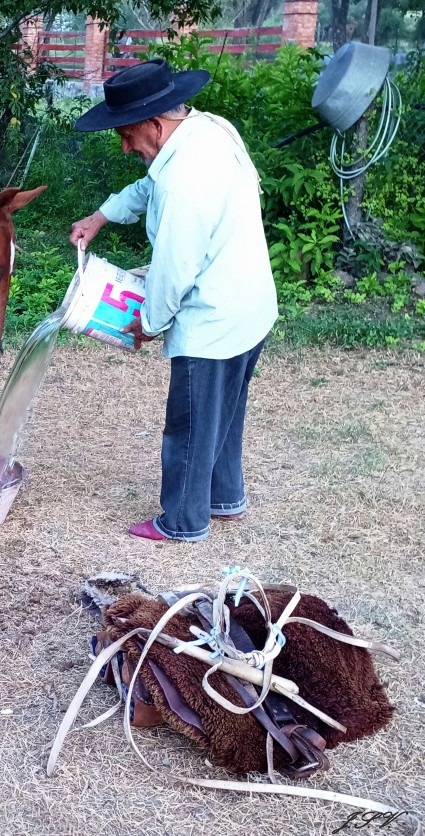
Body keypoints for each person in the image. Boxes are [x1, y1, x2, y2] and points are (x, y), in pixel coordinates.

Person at [70, 58, 278, 543]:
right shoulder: (206, 129)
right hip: (251, 303)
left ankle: (183, 520)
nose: (124, 147)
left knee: (189, 421)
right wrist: (102, 216)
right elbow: (149, 185)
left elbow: (174, 270)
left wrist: (149, 321)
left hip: (213, 317)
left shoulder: (186, 182)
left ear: (155, 123)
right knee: (224, 409)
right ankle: (225, 497)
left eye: (126, 135)